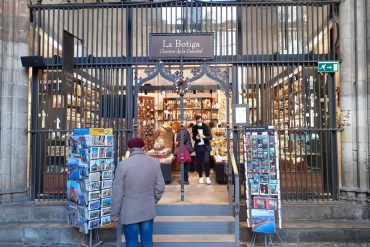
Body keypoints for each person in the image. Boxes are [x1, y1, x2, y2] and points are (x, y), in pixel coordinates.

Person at [111, 138, 165, 247]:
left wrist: (114, 213)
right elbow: (160, 186)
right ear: (143, 147)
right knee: (147, 241)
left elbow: (117, 192)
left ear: (129, 149)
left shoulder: (123, 165)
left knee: (131, 242)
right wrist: (154, 199)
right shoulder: (154, 162)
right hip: (147, 209)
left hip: (129, 211)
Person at [192, 115, 213, 185]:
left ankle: (207, 177)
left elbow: (210, 137)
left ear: (202, 120)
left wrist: (204, 137)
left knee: (207, 161)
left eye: (199, 121)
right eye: (197, 121)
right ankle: (200, 177)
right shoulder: (194, 127)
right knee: (199, 162)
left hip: (206, 147)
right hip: (198, 147)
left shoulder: (206, 127)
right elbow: (193, 137)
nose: (198, 122)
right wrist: (196, 137)